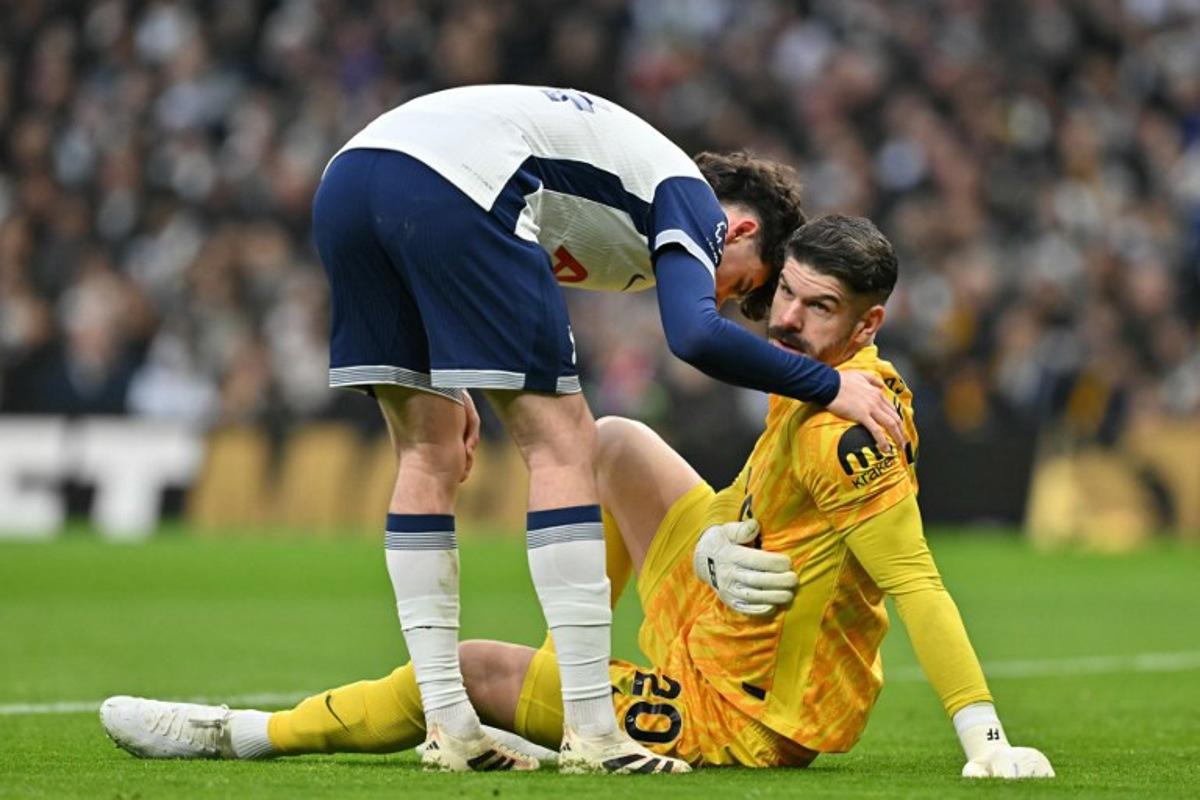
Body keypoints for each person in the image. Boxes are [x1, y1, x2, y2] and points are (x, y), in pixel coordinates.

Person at [101, 215, 1052, 778]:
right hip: (727, 606)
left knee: (472, 672)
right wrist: (717, 535)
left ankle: (238, 734)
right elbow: (777, 506)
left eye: (821, 308)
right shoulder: (813, 373)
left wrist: (986, 738)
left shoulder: (850, 429)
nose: (788, 321)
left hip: (746, 708)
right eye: (788, 296)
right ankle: (574, 682)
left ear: (869, 322)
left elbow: (915, 580)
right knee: (613, 441)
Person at [293, 84, 904, 773]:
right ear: (742, 233)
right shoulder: (695, 203)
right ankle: (594, 731)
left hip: (352, 177)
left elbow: (460, 253)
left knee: (428, 452)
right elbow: (695, 338)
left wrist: (450, 376)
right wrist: (829, 384)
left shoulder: (622, 202)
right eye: (742, 285)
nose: (724, 294)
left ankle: (447, 723)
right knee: (564, 444)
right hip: (455, 179)